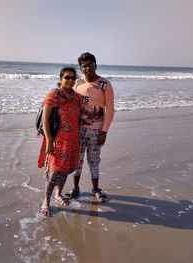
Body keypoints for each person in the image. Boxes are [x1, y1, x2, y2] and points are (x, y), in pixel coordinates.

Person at [66, 52, 115, 202]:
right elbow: (70, 103)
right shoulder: (78, 84)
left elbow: (110, 110)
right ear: (80, 68)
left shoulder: (104, 85)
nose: (87, 68)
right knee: (77, 160)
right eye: (83, 66)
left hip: (96, 130)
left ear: (96, 65)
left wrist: (104, 132)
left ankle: (96, 189)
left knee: (94, 160)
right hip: (77, 129)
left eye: (90, 64)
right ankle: (75, 188)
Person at [38, 67, 81, 216]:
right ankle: (46, 201)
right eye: (67, 77)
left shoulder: (76, 97)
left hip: (73, 140)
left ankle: (58, 193)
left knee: (65, 171)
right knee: (54, 171)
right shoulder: (53, 95)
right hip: (58, 140)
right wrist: (49, 140)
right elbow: (45, 119)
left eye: (72, 78)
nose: (70, 80)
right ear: (61, 79)